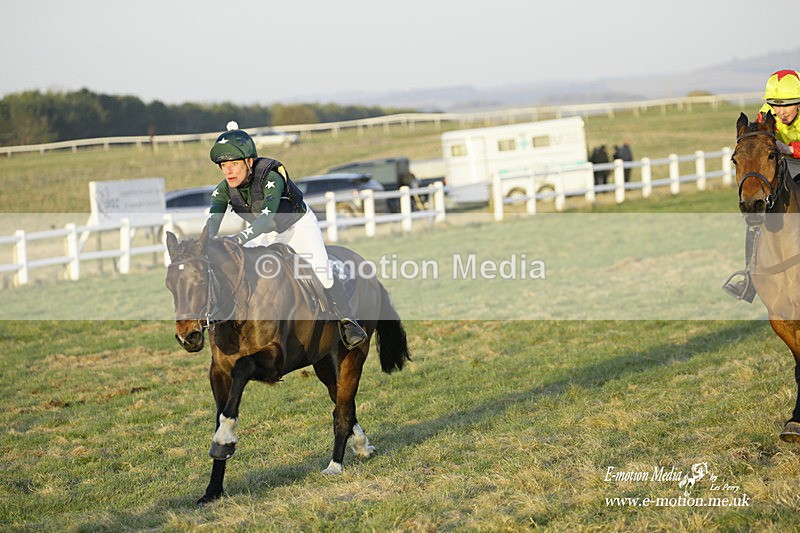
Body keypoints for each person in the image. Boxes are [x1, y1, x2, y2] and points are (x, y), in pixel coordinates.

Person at [204, 121, 367, 348]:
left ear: (249, 162)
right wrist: (205, 242)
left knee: (322, 273)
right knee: (240, 269)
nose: (228, 171)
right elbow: (213, 221)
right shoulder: (223, 190)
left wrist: (237, 239)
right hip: (266, 233)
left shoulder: (271, 177)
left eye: (233, 164)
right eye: (223, 165)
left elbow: (265, 218)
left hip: (297, 226)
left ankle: (348, 322)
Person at [724, 70, 800, 301]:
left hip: (793, 156)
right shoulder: (765, 113)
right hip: (784, 162)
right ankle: (749, 277)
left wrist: (790, 149)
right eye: (776, 105)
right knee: (758, 213)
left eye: (787, 105)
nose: (781, 112)